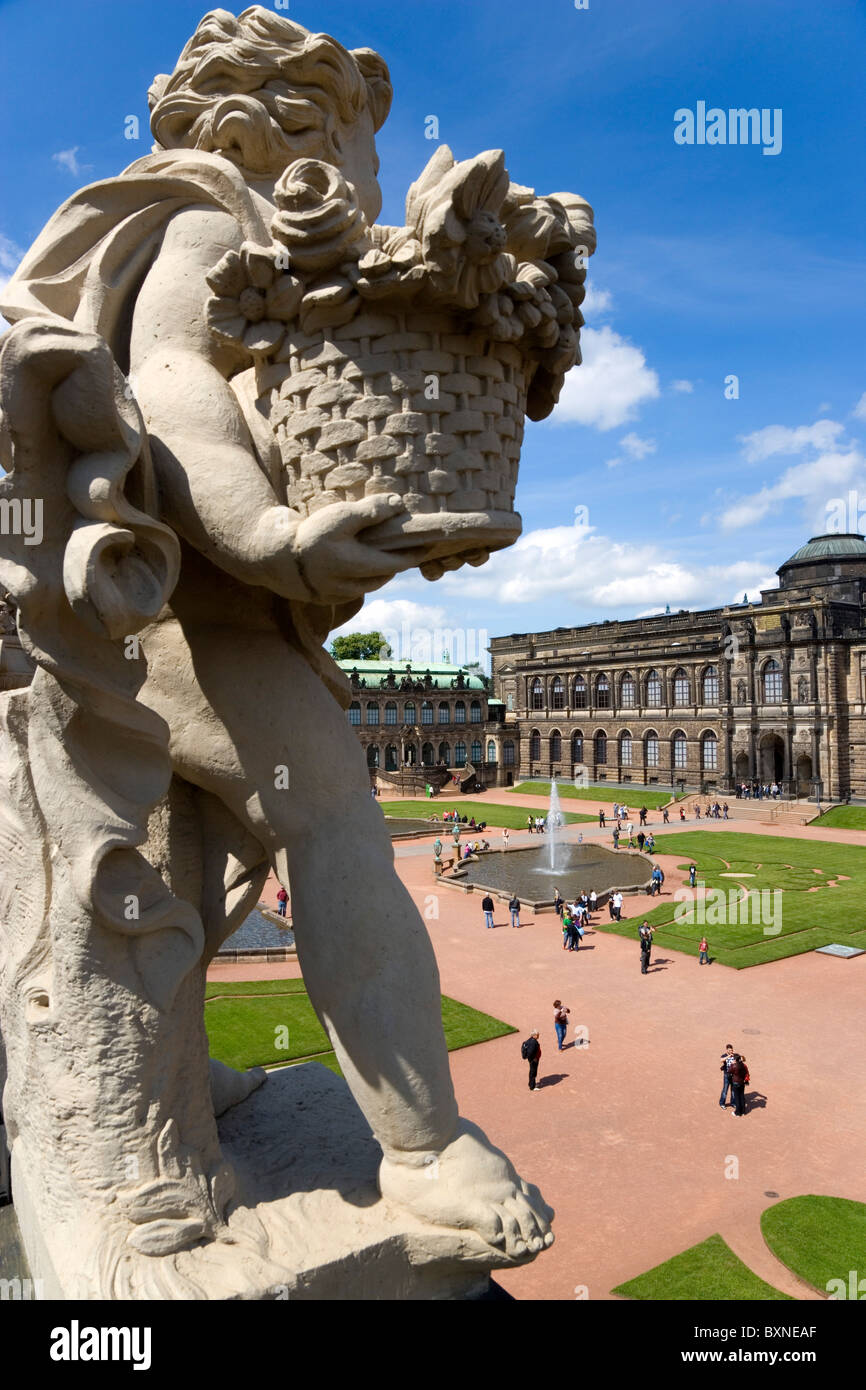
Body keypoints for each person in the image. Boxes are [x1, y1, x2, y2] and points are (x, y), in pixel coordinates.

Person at [719, 1043, 735, 1108]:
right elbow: (721, 1060)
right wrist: (728, 1056)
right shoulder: (724, 1055)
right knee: (725, 1090)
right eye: (729, 1050)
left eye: (732, 1050)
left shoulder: (734, 1055)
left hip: (733, 1076)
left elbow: (741, 1059)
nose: (731, 1051)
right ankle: (722, 1103)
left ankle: (733, 1102)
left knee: (733, 1090)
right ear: (727, 1050)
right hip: (727, 1075)